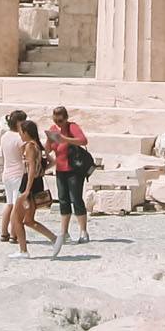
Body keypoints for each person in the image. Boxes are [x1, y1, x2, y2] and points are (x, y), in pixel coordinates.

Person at [44, 106, 90, 258]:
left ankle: (83, 231)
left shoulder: (72, 127)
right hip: (60, 169)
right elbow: (48, 150)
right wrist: (49, 140)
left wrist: (65, 139)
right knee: (63, 200)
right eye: (55, 120)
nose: (58, 122)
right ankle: (64, 232)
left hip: (74, 169)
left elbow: (83, 140)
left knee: (76, 198)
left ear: (65, 118)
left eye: (60, 120)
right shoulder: (53, 128)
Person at [11, 119, 57, 255]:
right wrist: (41, 171)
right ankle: (55, 238)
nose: (20, 135)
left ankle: (23, 251)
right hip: (38, 183)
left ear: (26, 132)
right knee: (29, 220)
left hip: (28, 185)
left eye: (21, 132)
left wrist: (26, 190)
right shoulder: (39, 146)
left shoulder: (30, 146)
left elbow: (30, 169)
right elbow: (52, 161)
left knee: (17, 219)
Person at [0, 109, 27, 243]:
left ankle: (4, 232)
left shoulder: (4, 136)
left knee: (9, 204)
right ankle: (14, 235)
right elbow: (24, 156)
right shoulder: (20, 138)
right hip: (18, 175)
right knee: (17, 207)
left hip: (6, 173)